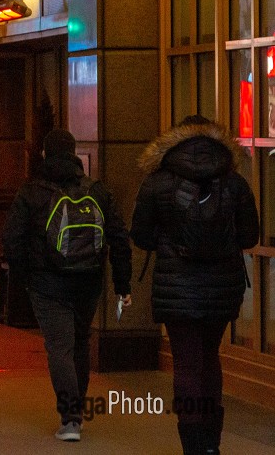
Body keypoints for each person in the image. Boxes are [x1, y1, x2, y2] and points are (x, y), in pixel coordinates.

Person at [131, 118, 259, 455]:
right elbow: (250, 236)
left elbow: (141, 236)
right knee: (209, 358)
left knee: (187, 363)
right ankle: (211, 445)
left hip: (176, 288)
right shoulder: (235, 183)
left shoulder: (156, 183)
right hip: (222, 287)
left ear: (173, 144)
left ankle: (192, 444)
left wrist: (168, 240)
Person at [2, 129, 132, 442]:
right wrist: (122, 283)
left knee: (60, 347)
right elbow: (119, 236)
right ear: (74, 153)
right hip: (88, 280)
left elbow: (11, 239)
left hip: (47, 283)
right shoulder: (97, 190)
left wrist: (24, 279)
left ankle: (70, 418)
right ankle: (76, 414)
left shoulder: (32, 192)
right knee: (80, 343)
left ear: (44, 154)